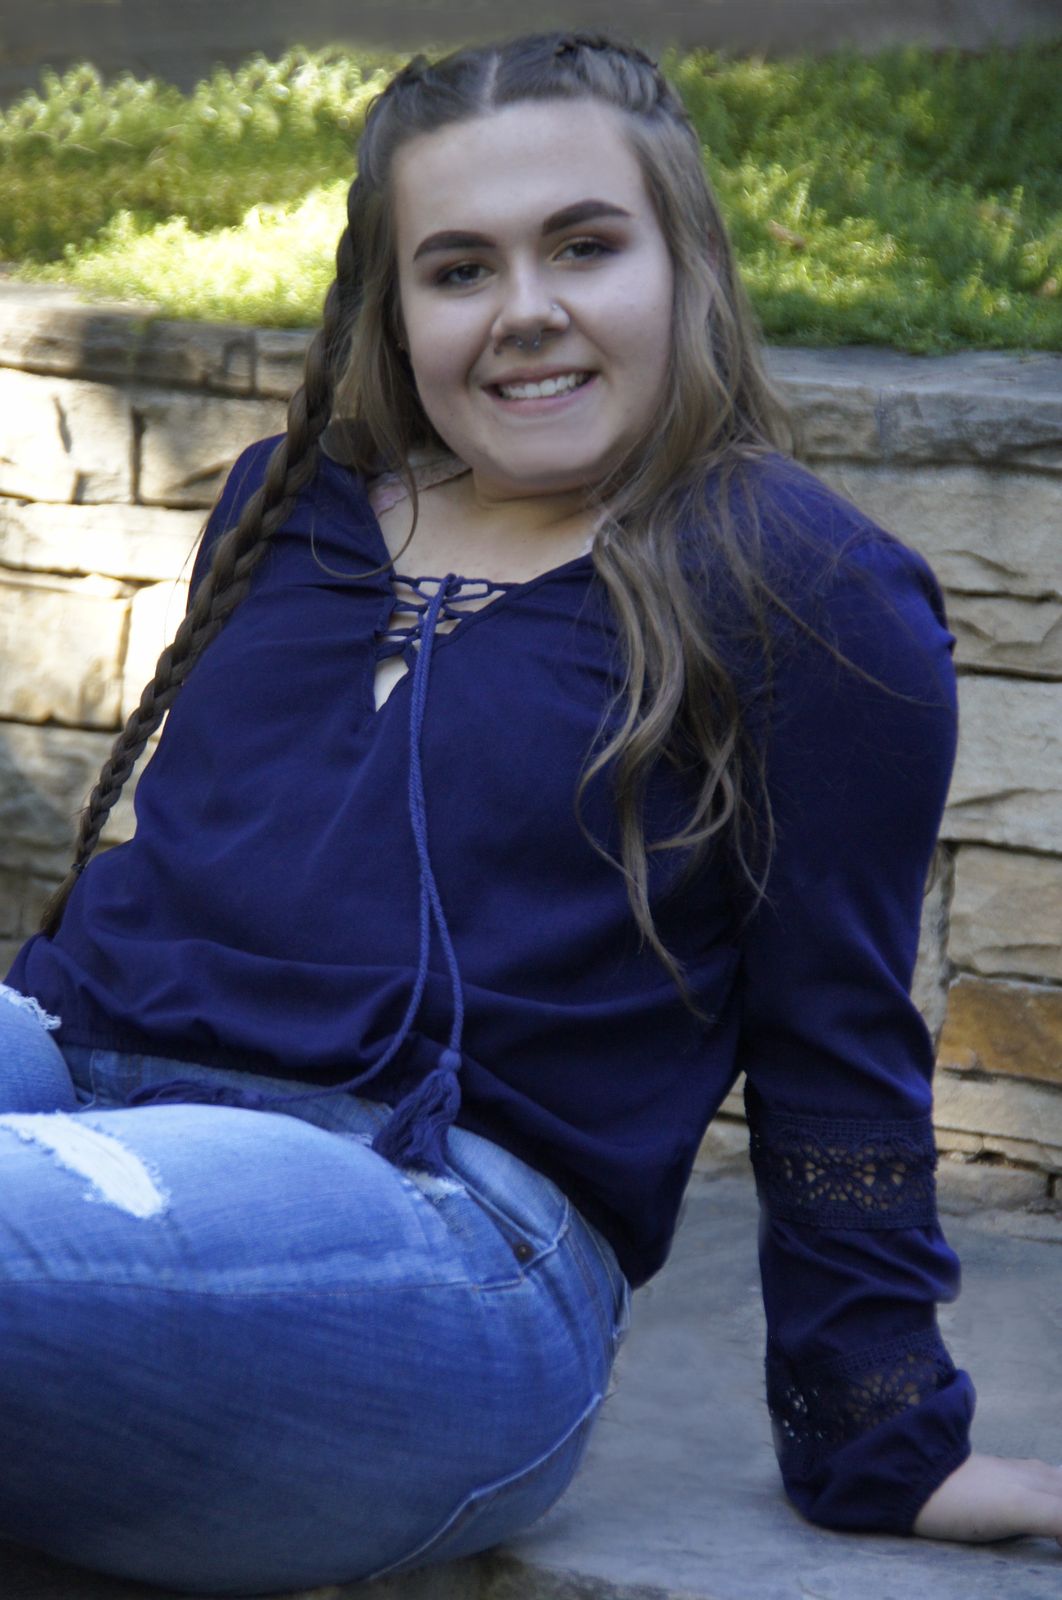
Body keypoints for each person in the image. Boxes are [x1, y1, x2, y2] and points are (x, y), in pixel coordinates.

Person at [1, 29, 1059, 1596]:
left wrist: (881, 1434)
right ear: (391, 307)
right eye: (458, 268)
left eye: (583, 246)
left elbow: (837, 1033)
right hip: (79, 1091)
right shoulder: (288, 506)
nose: (524, 309)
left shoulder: (799, 588)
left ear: (683, 264)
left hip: (428, 1230)